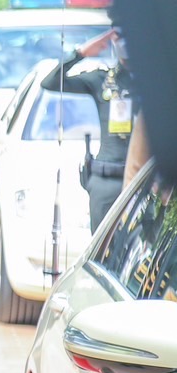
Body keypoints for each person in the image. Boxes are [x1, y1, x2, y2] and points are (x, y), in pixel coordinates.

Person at [36, 25, 136, 229]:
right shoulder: (102, 79)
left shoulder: (157, 81)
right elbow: (51, 82)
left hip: (145, 182)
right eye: (119, 36)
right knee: (103, 246)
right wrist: (80, 54)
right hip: (107, 181)